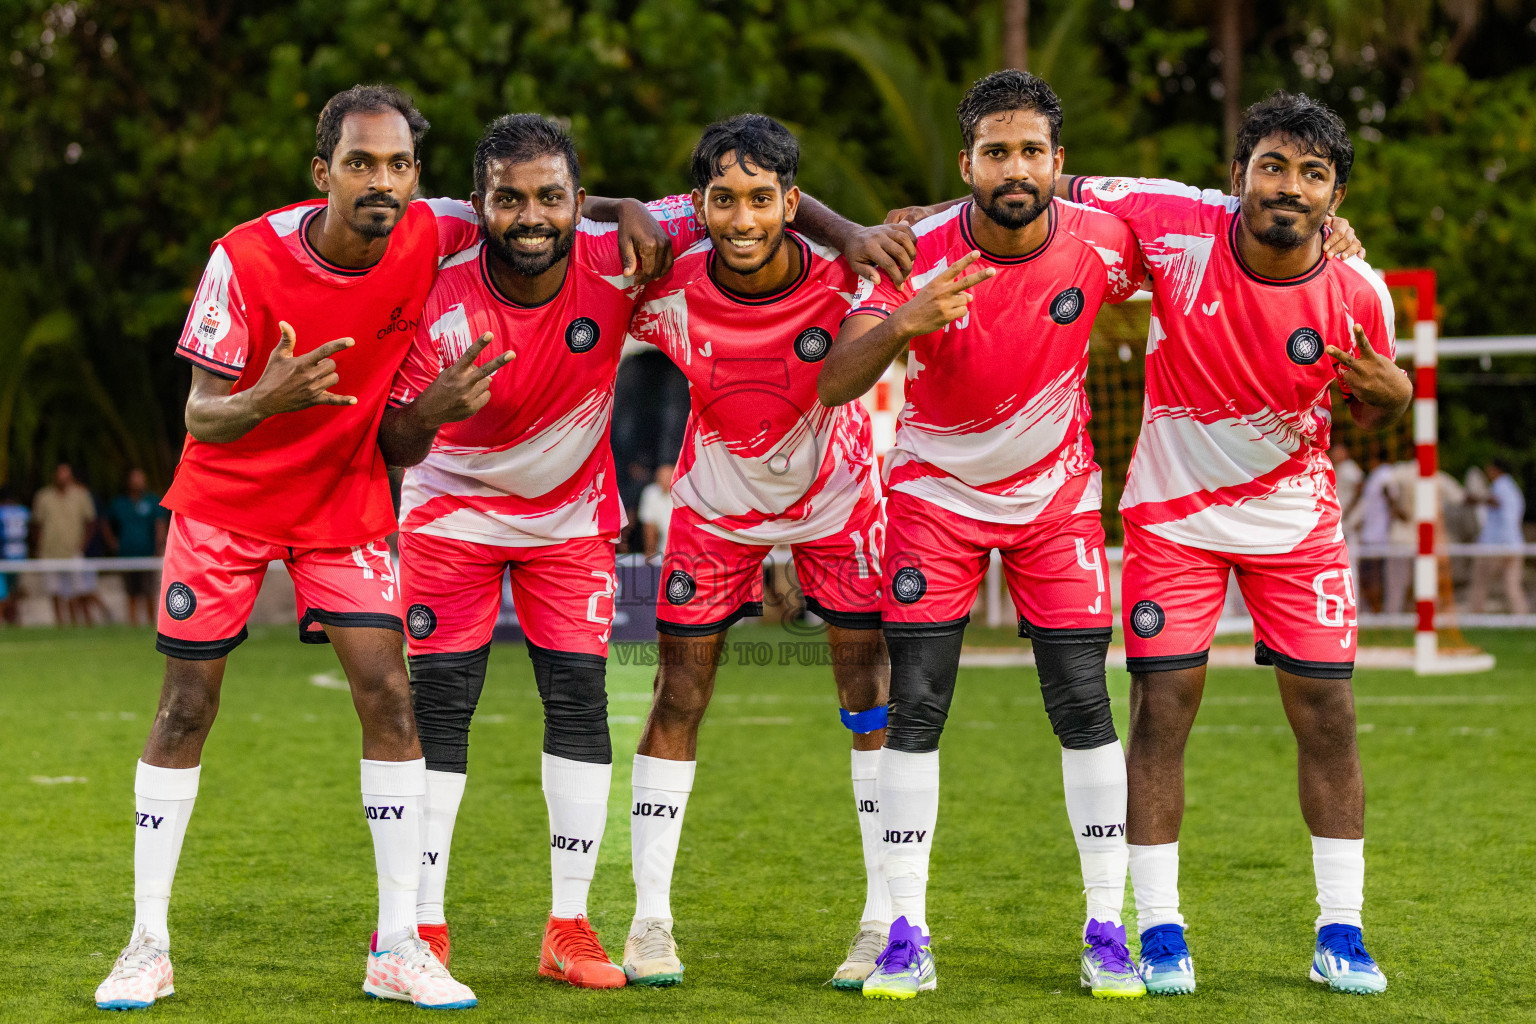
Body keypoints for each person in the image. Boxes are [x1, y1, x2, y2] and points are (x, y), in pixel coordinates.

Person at [91, 85, 677, 1012]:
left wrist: (628, 207)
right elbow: (202, 414)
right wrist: (263, 398)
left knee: (392, 694)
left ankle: (399, 944)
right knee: (184, 709)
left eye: (399, 164)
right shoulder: (242, 258)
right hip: (228, 504)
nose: (382, 182)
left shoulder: (430, 228)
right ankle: (146, 944)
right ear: (321, 171)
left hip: (344, 501)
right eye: (360, 163)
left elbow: (538, 200)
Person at [1062, 91, 1411, 995]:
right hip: (1175, 516)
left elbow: (1373, 399)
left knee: (1327, 716)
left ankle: (1343, 932)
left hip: (1295, 522)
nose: (1289, 187)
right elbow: (1041, 183)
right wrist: (923, 220)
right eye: (1273, 166)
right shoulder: (1174, 222)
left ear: (1335, 197)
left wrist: (1397, 393)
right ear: (1237, 176)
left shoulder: (1359, 290)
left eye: (1313, 173)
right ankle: (1162, 928)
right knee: (1162, 710)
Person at [823, 70, 1149, 1000]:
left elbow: (1198, 242)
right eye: (996, 152)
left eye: (1031, 151)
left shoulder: (1102, 243)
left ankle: (1107, 927)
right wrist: (906, 322)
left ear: (1059, 163)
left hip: (1058, 506)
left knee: (1085, 705)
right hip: (936, 501)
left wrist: (1336, 237)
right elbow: (836, 380)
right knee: (915, 710)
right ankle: (906, 935)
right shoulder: (910, 250)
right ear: (966, 162)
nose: (1015, 167)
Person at [377, 114, 706, 989]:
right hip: (452, 514)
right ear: (477, 204)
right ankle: (421, 929)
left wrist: (856, 235)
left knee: (580, 703)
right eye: (510, 198)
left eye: (551, 196)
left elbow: (742, 200)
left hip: (570, 521)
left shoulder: (613, 252)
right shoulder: (433, 281)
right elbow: (395, 446)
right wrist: (429, 409)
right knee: (440, 708)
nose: (532, 215)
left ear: (579, 200)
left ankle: (568, 927)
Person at [622, 114, 906, 990]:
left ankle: (882, 919)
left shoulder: (846, 279)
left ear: (791, 201)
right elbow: (554, 221)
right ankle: (648, 921)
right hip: (714, 507)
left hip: (838, 506)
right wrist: (623, 202)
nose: (741, 219)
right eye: (722, 199)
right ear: (699, 203)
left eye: (760, 199)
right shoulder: (662, 284)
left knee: (867, 699)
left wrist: (852, 231)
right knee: (679, 694)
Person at [32, 462, 100, 626]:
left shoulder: (81, 495)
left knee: (79, 590)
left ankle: (80, 622)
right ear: (54, 476)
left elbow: (91, 522)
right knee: (54, 591)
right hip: (50, 551)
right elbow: (36, 524)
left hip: (73, 551)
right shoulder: (43, 497)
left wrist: (83, 544)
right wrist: (39, 544)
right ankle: (60, 623)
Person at [104, 469, 170, 627]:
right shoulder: (120, 503)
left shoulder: (152, 501)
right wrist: (113, 542)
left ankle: (150, 624)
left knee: (148, 592)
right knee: (131, 592)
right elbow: (105, 522)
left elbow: (160, 525)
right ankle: (132, 624)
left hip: (147, 554)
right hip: (127, 554)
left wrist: (159, 547)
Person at [1469, 459, 1527, 615]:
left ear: (1496, 469)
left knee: (1480, 582)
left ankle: (1474, 616)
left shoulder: (1500, 486)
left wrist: (1476, 498)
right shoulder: (1514, 488)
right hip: (1514, 543)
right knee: (1512, 585)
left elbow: (1494, 501)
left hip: (1495, 545)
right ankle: (1521, 618)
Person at [0, 488, 28, 624]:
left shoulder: (2, 512)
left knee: (3, 594)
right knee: (12, 592)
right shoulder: (23, 511)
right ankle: (16, 621)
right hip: (19, 556)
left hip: (4, 556)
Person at [639, 463, 674, 558]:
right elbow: (649, 526)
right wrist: (650, 552)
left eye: (668, 476)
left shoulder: (687, 492)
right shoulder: (651, 493)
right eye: (661, 476)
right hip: (663, 553)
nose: (664, 480)